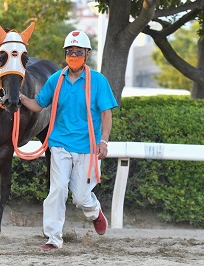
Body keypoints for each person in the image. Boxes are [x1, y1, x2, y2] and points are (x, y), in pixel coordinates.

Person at [19, 30, 118, 250]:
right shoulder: (56, 79)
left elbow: (106, 114)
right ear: (65, 54)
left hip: (88, 147)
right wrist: (21, 98)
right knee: (58, 190)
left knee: (81, 198)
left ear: (87, 54)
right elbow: (38, 104)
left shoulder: (99, 81)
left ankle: (94, 212)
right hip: (60, 144)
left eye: (78, 52)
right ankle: (53, 239)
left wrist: (104, 141)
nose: (74, 55)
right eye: (70, 52)